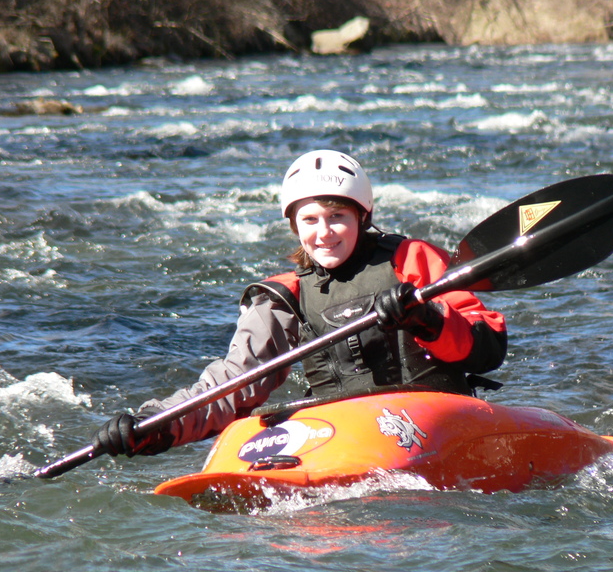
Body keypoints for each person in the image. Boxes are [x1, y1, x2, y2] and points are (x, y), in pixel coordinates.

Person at [93, 150, 507, 457]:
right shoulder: (284, 294)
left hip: (431, 420)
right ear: (294, 225)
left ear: (361, 217)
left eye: (337, 217)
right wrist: (151, 425)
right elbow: (232, 383)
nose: (324, 233)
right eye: (310, 220)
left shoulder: (411, 260)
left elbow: (487, 345)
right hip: (347, 433)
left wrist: (426, 317)